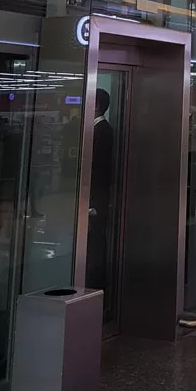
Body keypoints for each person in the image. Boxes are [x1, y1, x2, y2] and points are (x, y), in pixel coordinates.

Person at [86, 88, 113, 291]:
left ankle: (96, 282)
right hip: (95, 197)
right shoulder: (95, 129)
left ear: (96, 105)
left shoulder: (103, 131)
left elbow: (100, 169)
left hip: (97, 199)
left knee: (96, 240)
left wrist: (94, 202)